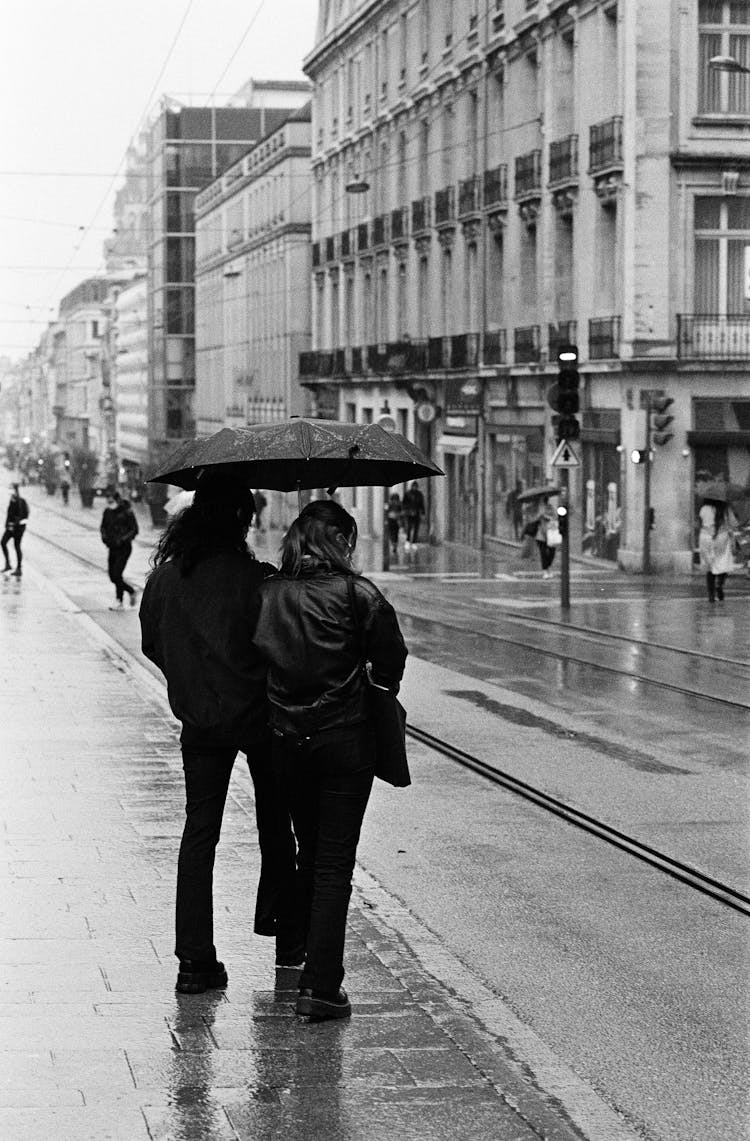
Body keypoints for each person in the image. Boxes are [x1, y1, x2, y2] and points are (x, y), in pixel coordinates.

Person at [139, 473, 299, 994]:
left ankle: (195, 961)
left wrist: (191, 680)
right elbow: (280, 648)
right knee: (276, 827)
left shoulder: (166, 577)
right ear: (239, 519)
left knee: (199, 834)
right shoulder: (257, 580)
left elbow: (151, 643)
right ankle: (288, 939)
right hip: (259, 717)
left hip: (201, 722)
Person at [250, 500, 407, 1021]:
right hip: (345, 739)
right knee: (335, 862)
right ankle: (320, 985)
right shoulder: (358, 593)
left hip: (286, 739)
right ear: (340, 542)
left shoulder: (267, 593)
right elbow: (392, 657)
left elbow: (254, 656)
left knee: (308, 851)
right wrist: (371, 683)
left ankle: (302, 961)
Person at [100, 490, 139, 609]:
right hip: (112, 547)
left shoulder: (127, 512)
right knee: (112, 576)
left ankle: (119, 600)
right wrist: (105, 539)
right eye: (107, 500)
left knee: (117, 574)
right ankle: (131, 591)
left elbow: (134, 529)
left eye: (111, 500)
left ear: (117, 500)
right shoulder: (107, 512)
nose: (109, 502)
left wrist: (122, 540)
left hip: (124, 548)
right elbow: (103, 527)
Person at [698, 497, 736, 602]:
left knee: (710, 567)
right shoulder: (725, 508)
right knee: (723, 563)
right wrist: (733, 541)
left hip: (706, 538)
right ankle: (719, 585)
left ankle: (711, 595)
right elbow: (732, 525)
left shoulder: (704, 508)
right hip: (722, 537)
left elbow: (700, 522)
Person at [1, 483, 29, 577]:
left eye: (11, 489)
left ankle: (19, 568)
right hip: (10, 528)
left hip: (18, 529)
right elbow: (9, 514)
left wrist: (15, 523)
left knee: (17, 546)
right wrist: (7, 525)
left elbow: (23, 515)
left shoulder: (21, 501)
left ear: (15, 490)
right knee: (3, 542)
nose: (10, 490)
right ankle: (8, 564)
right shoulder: (12, 500)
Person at [533, 497, 558, 578]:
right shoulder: (539, 509)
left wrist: (547, 516)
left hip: (551, 534)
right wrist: (540, 515)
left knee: (552, 553)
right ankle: (545, 571)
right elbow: (534, 519)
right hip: (541, 535)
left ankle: (548, 567)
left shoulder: (551, 508)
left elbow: (555, 517)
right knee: (543, 553)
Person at [402, 481, 426, 549]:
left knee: (416, 528)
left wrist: (423, 513)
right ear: (412, 486)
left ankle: (414, 542)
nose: (415, 488)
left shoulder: (419, 494)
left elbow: (422, 504)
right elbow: (404, 504)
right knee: (409, 527)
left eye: (416, 486)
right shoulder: (407, 494)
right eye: (413, 486)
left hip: (417, 513)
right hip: (409, 513)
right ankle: (408, 541)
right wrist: (407, 510)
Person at [386, 491, 402, 559]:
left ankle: (394, 545)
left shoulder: (399, 505)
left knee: (395, 533)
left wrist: (400, 519)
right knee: (391, 533)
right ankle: (393, 544)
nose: (395, 501)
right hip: (391, 520)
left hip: (396, 520)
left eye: (396, 499)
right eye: (394, 499)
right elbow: (386, 512)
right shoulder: (389, 505)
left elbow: (401, 513)